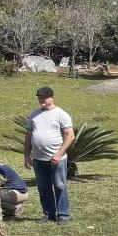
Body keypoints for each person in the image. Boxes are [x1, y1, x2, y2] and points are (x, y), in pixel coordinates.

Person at [24, 86, 75, 224]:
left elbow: (70, 136)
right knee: (43, 187)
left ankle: (63, 214)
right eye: (40, 97)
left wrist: (59, 153)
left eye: (44, 97)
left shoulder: (61, 114)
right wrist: (27, 156)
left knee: (59, 185)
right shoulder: (34, 115)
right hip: (38, 159)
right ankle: (49, 213)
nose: (42, 100)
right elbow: (28, 136)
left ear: (52, 98)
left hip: (56, 159)